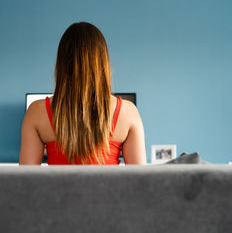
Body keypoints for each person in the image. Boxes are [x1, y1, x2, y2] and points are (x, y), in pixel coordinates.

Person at [19, 22, 146, 165]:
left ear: (62, 63)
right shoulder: (128, 112)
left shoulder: (36, 112)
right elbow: (140, 183)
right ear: (102, 62)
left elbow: (26, 183)